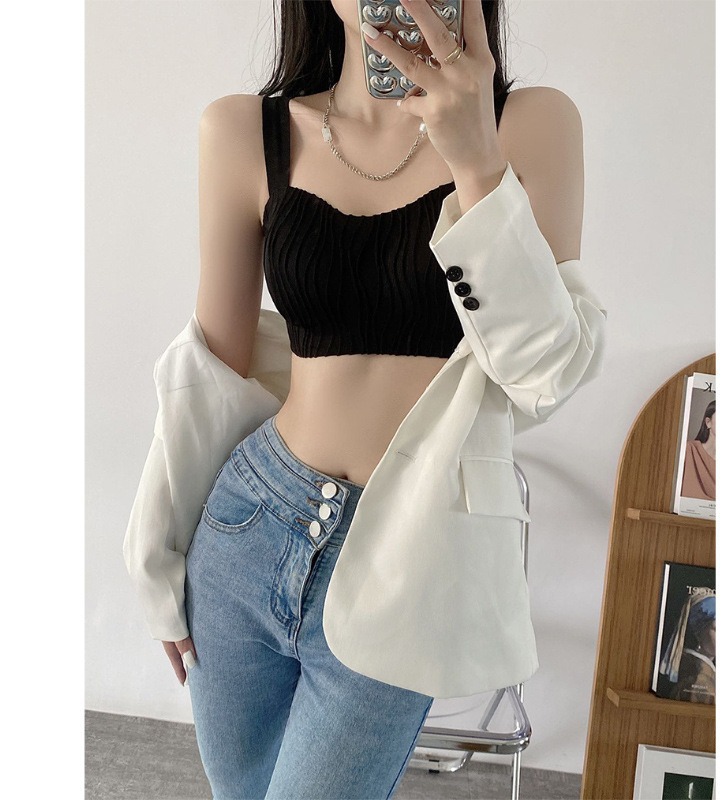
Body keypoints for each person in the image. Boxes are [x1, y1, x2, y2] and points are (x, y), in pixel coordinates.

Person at [123, 1, 608, 797]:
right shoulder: (245, 131)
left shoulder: (530, 125)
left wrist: (478, 166)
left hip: (411, 559)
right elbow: (211, 377)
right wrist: (155, 551)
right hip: (248, 527)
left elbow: (546, 373)